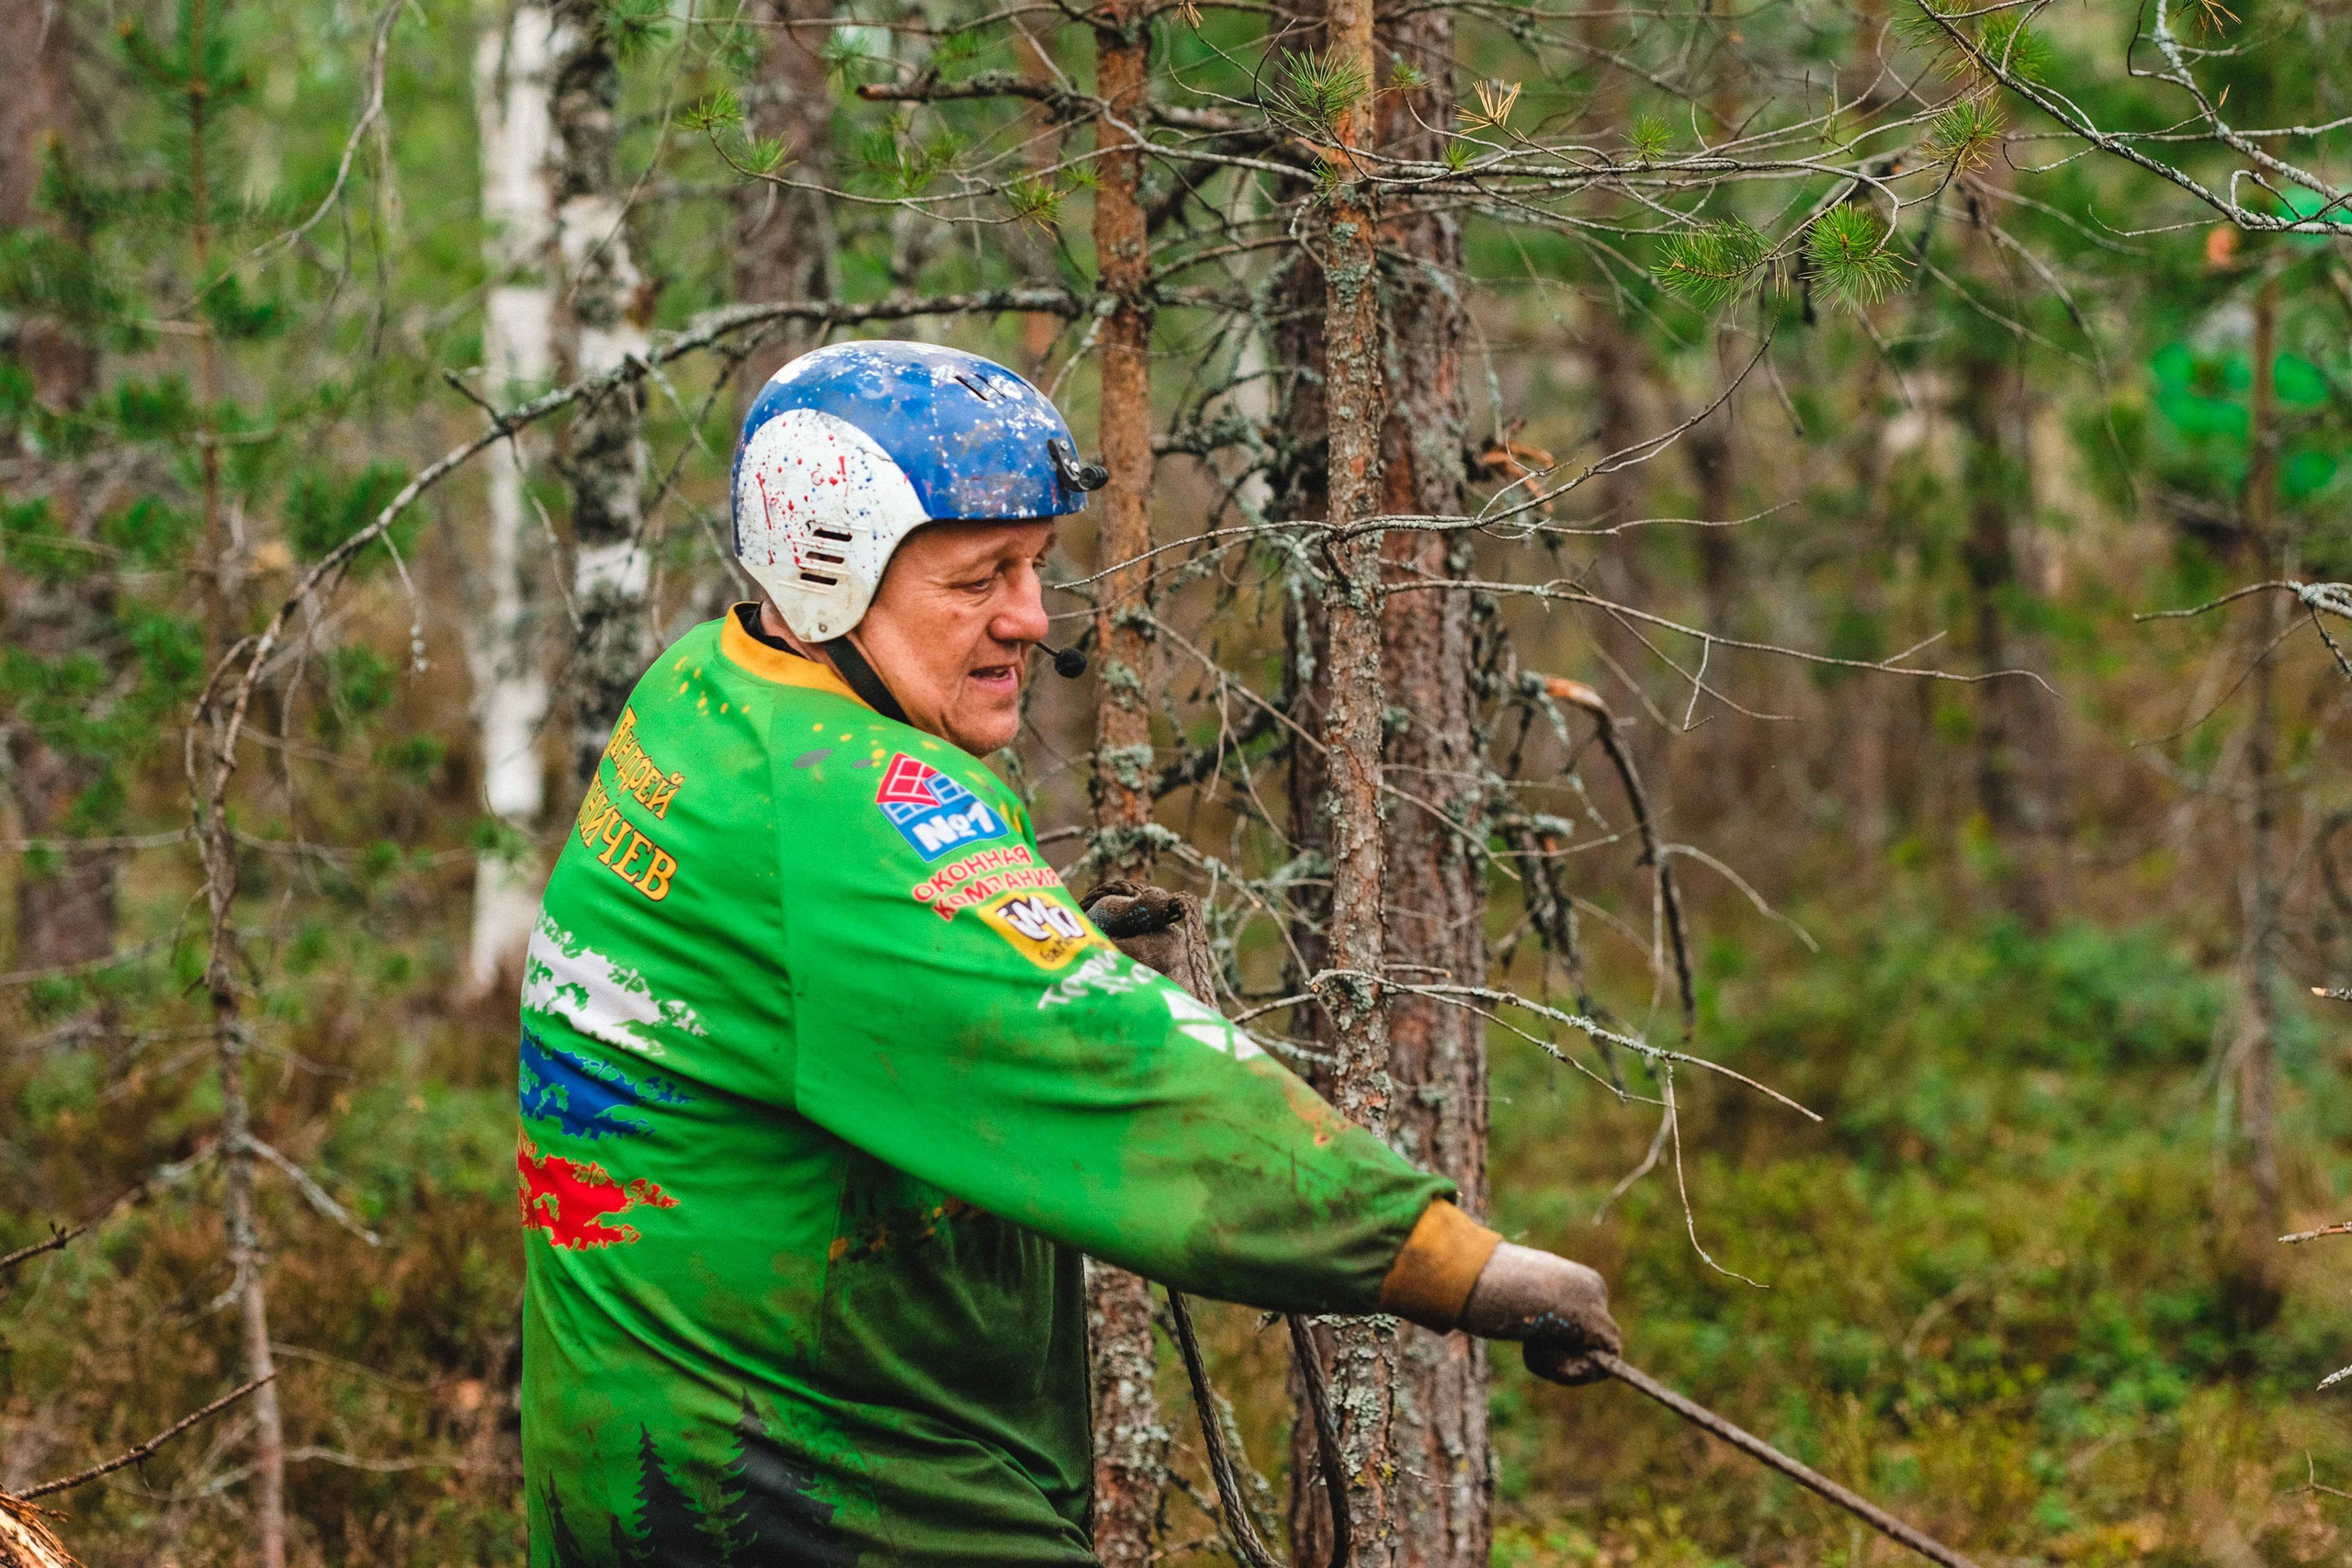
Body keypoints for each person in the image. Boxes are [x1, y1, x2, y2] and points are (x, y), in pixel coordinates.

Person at [516, 340, 1622, 1567]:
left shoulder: (712, 689)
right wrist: (1456, 1266)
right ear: (826, 576)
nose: (1032, 618)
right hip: (789, 1481)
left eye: (1036, 565)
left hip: (680, 1426)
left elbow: (823, 972)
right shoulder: (836, 802)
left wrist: (1004, 950)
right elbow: (1122, 1073)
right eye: (978, 578)